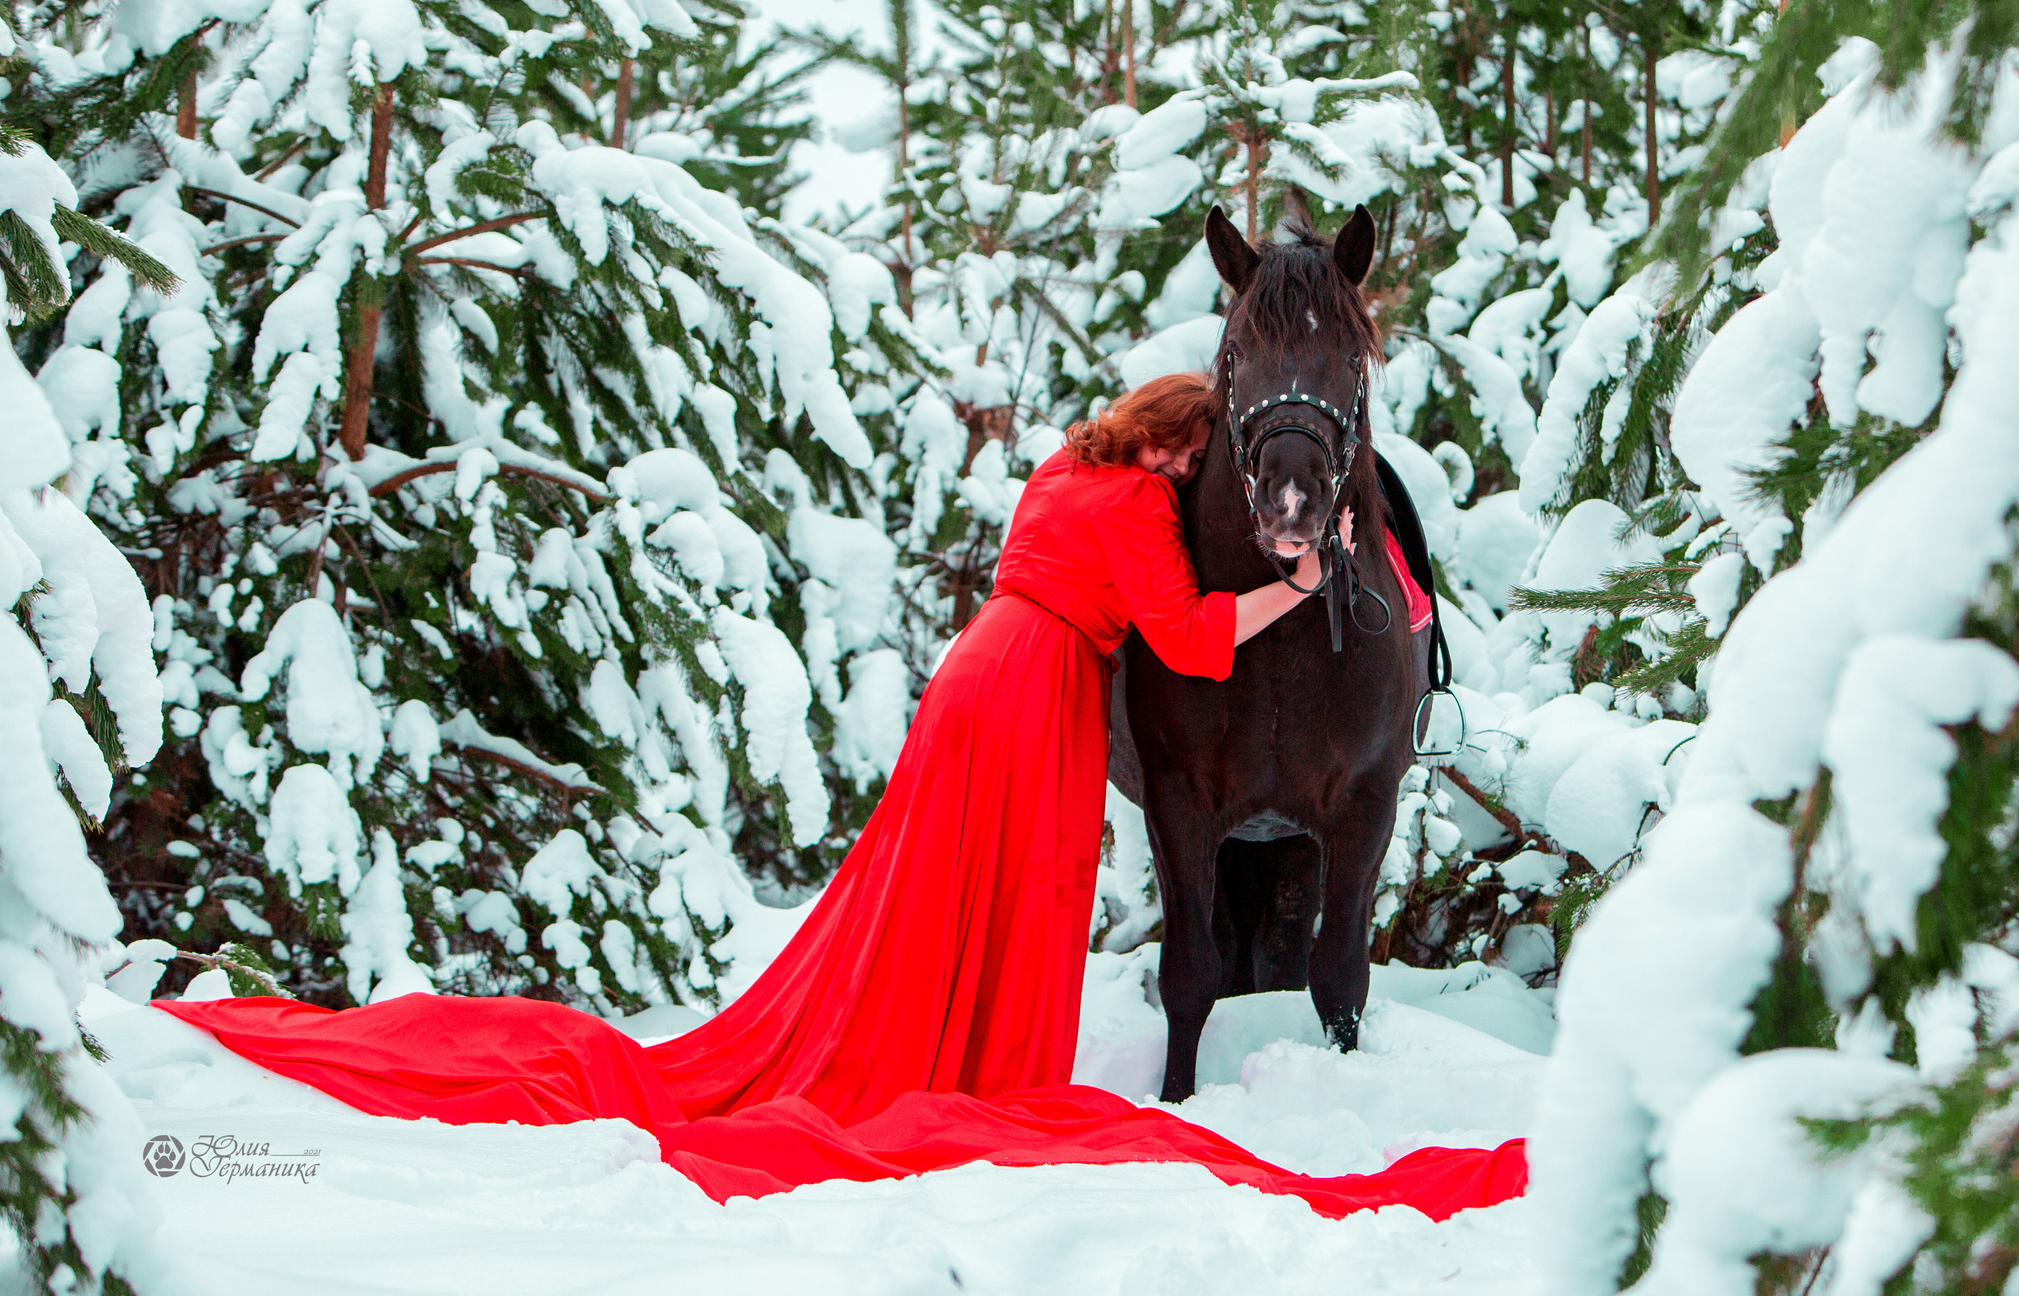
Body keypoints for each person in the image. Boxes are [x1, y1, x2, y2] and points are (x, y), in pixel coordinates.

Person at [157, 374, 1524, 1218]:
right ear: (1173, 448)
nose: (1190, 477)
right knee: (1005, 878)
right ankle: (963, 1055)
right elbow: (1187, 640)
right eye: (1192, 457)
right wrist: (1296, 581)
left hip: (980, 670)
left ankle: (922, 1020)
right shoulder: (1128, 509)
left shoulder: (1064, 471)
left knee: (933, 873)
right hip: (1039, 687)